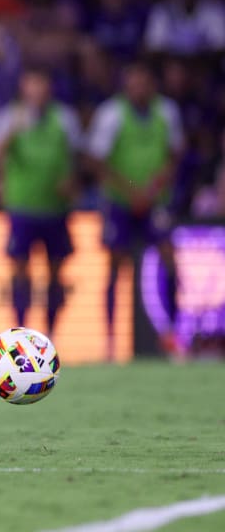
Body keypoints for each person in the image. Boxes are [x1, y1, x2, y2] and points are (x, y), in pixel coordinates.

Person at [86, 62, 183, 361]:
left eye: (144, 82)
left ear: (152, 84)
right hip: (120, 200)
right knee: (116, 265)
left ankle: (172, 334)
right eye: (133, 82)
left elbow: (175, 153)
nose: (139, 88)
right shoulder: (111, 114)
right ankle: (111, 340)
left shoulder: (166, 111)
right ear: (126, 85)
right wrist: (131, 189)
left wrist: (154, 187)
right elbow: (97, 161)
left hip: (155, 199)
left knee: (169, 259)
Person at [0, 67, 81, 337]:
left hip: (55, 208)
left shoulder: (64, 119)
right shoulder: (10, 117)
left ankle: (51, 333)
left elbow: (78, 159)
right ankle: (20, 330)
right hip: (22, 208)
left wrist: (71, 182)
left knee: (55, 273)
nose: (36, 89)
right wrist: (11, 133)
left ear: (49, 87)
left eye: (41, 83)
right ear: (23, 87)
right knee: (20, 270)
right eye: (31, 83)